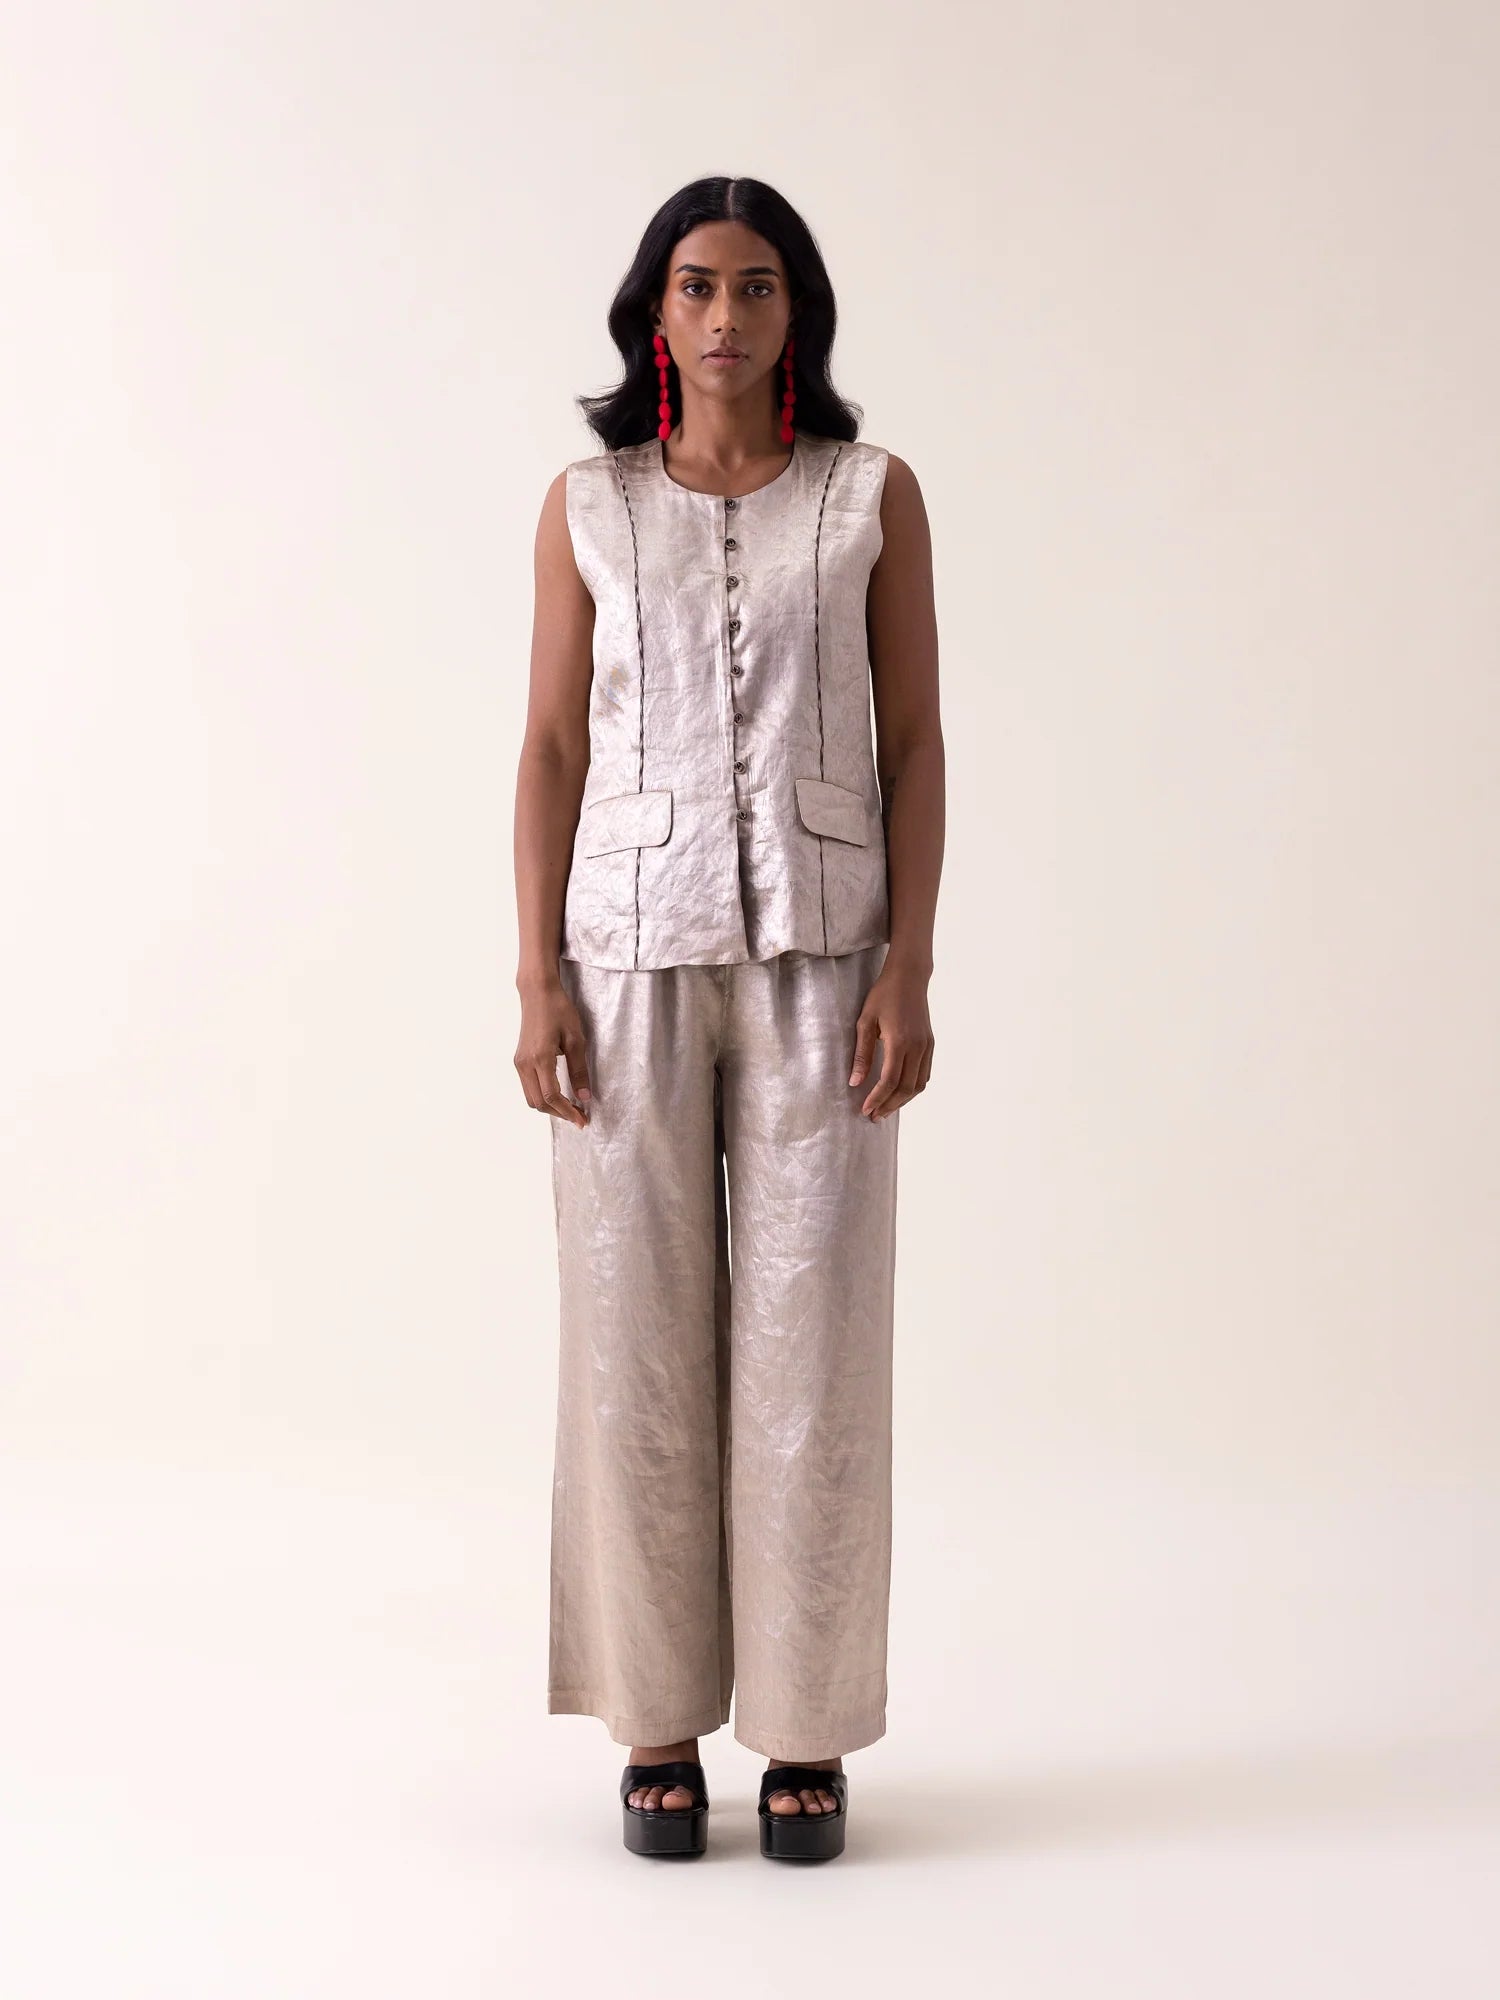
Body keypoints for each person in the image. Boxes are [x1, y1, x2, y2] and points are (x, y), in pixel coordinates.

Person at [513, 175, 944, 1862]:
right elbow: (552, 745)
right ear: (653, 312)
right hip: (622, 954)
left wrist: (912, 964)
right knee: (631, 1333)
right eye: (697, 285)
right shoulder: (589, 505)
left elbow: (915, 738)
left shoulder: (868, 495)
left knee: (813, 1342)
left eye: (758, 287)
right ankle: (654, 1722)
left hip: (829, 957)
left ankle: (806, 1731)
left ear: (797, 315)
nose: (725, 315)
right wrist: (535, 977)